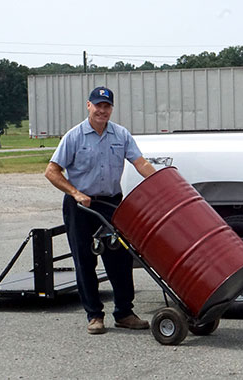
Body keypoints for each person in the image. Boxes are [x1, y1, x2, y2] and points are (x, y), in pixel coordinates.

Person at [45, 86, 156, 335]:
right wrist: (75, 193)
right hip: (81, 206)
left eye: (106, 106)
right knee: (85, 261)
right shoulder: (74, 137)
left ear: (111, 108)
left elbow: (140, 163)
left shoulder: (121, 135)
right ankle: (94, 315)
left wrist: (161, 183)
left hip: (111, 204)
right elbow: (51, 171)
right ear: (88, 106)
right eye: (98, 105)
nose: (102, 110)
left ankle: (124, 313)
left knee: (120, 257)